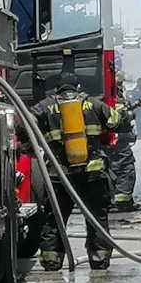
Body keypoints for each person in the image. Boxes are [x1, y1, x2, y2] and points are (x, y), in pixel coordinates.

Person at [16, 72, 122, 271]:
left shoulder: (45, 106)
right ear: (78, 87)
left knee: (54, 218)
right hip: (93, 173)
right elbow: (116, 122)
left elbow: (22, 126)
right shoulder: (93, 104)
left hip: (60, 175)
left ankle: (51, 260)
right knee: (96, 217)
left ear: (57, 89)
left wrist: (29, 147)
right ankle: (99, 260)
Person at [109, 76, 139, 212]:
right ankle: (122, 202)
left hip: (106, 145)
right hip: (119, 144)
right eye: (120, 84)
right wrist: (130, 114)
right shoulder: (116, 101)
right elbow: (122, 118)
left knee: (109, 170)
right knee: (126, 170)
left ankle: (110, 200)